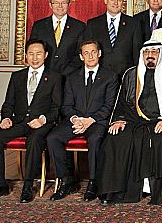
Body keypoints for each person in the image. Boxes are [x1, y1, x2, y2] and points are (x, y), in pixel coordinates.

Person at [96, 41, 162, 205]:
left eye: (154, 52)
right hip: (135, 120)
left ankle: (161, 194)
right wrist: (119, 120)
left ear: (161, 54)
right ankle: (117, 193)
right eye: (146, 52)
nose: (150, 55)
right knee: (115, 138)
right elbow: (122, 102)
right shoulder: (131, 74)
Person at [0, 39, 62, 203]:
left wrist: (42, 119)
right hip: (18, 122)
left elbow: (57, 108)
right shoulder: (17, 76)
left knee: (34, 141)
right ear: (25, 56)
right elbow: (8, 103)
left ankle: (28, 185)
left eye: (38, 54)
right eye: (31, 54)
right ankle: (1, 184)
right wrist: (5, 117)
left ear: (45, 55)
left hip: (42, 123)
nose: (35, 58)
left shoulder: (54, 77)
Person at [47, 40, 119, 201]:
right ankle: (66, 180)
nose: (90, 56)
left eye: (93, 52)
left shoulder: (110, 76)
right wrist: (76, 119)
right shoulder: (72, 78)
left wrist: (90, 120)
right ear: (81, 57)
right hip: (76, 121)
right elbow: (66, 106)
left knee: (94, 139)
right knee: (53, 138)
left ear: (99, 53)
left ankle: (94, 182)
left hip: (97, 121)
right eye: (86, 53)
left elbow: (109, 106)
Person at [85, 0, 141, 76]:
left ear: (123, 2)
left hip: (125, 75)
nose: (116, 3)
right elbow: (88, 50)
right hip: (100, 76)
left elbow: (137, 52)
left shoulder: (133, 24)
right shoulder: (93, 24)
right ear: (106, 0)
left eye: (119, 0)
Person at [29, 0, 86, 76]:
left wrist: (65, 73)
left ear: (69, 4)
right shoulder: (39, 26)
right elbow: (33, 50)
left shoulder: (79, 26)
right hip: (44, 75)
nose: (60, 6)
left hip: (70, 76)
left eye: (63, 3)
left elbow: (81, 53)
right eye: (56, 3)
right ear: (50, 5)